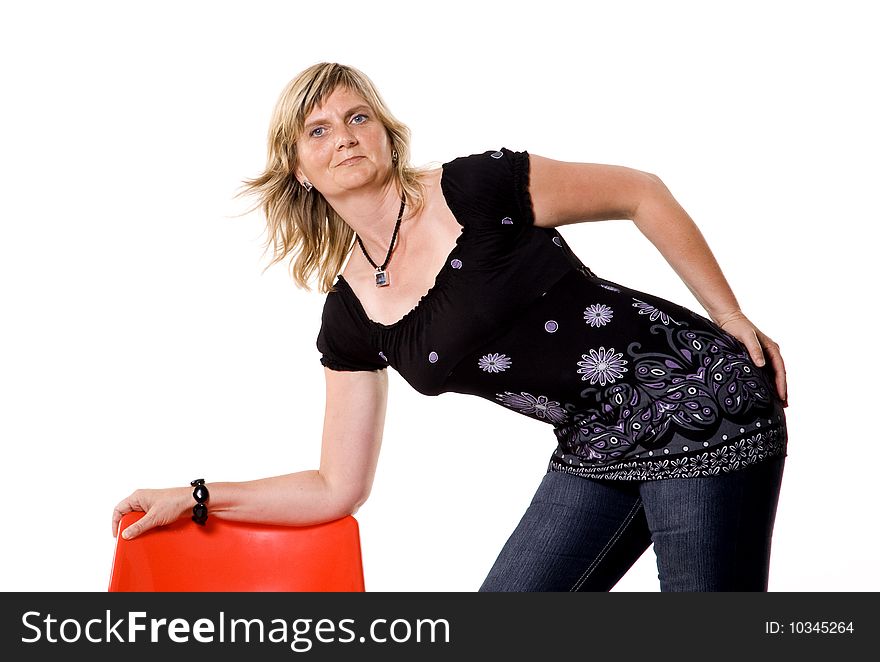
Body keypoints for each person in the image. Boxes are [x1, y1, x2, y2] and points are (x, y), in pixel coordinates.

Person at [112, 62, 789, 592]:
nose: (344, 135)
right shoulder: (350, 317)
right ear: (299, 170)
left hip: (700, 400)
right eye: (317, 130)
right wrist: (195, 498)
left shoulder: (478, 188)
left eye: (357, 117)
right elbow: (336, 486)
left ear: (385, 132)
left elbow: (640, 191)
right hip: (595, 444)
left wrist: (729, 315)